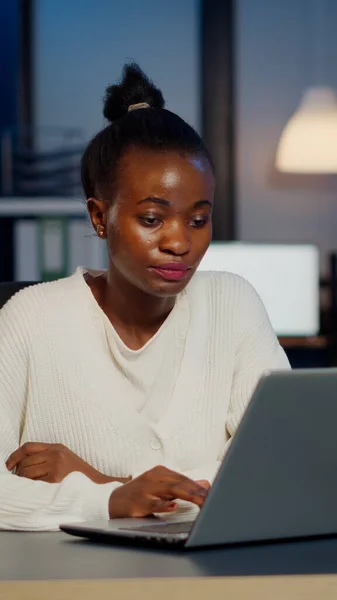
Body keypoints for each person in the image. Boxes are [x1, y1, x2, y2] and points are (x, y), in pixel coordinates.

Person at [0, 64, 289, 531]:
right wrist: (116, 499)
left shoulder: (233, 305)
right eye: (153, 219)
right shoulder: (30, 320)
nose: (180, 242)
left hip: (209, 576)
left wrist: (105, 486)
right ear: (100, 217)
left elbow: (281, 469)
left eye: (198, 220)